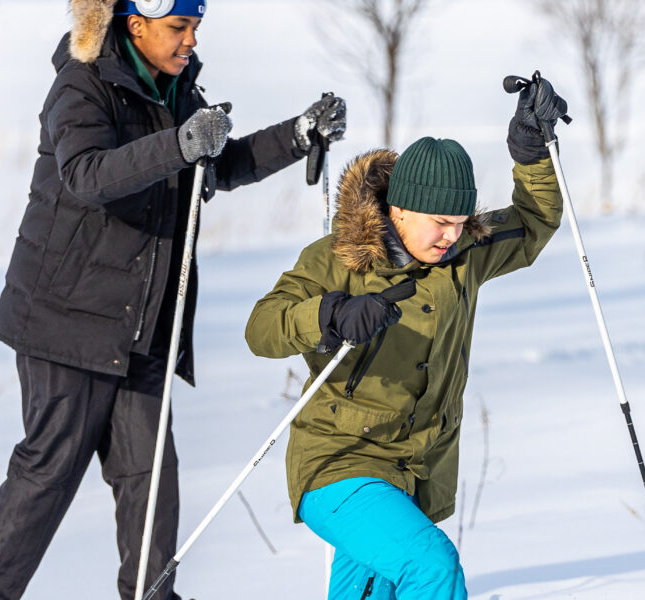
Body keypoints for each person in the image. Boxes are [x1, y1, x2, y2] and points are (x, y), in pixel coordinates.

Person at [0, 0, 349, 598]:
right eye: (178, 27)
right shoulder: (81, 85)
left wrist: (295, 137)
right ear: (135, 25)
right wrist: (180, 145)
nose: (190, 40)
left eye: (195, 27)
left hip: (140, 328)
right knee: (49, 469)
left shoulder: (176, 92)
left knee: (150, 476)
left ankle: (150, 595)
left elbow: (221, 162)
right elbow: (87, 175)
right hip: (67, 322)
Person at [243, 75, 569, 599]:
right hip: (337, 463)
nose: (452, 236)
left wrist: (531, 152)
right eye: (440, 222)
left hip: (414, 471)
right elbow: (261, 328)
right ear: (399, 208)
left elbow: (535, 219)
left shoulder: (465, 257)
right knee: (430, 565)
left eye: (461, 222)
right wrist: (330, 315)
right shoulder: (337, 258)